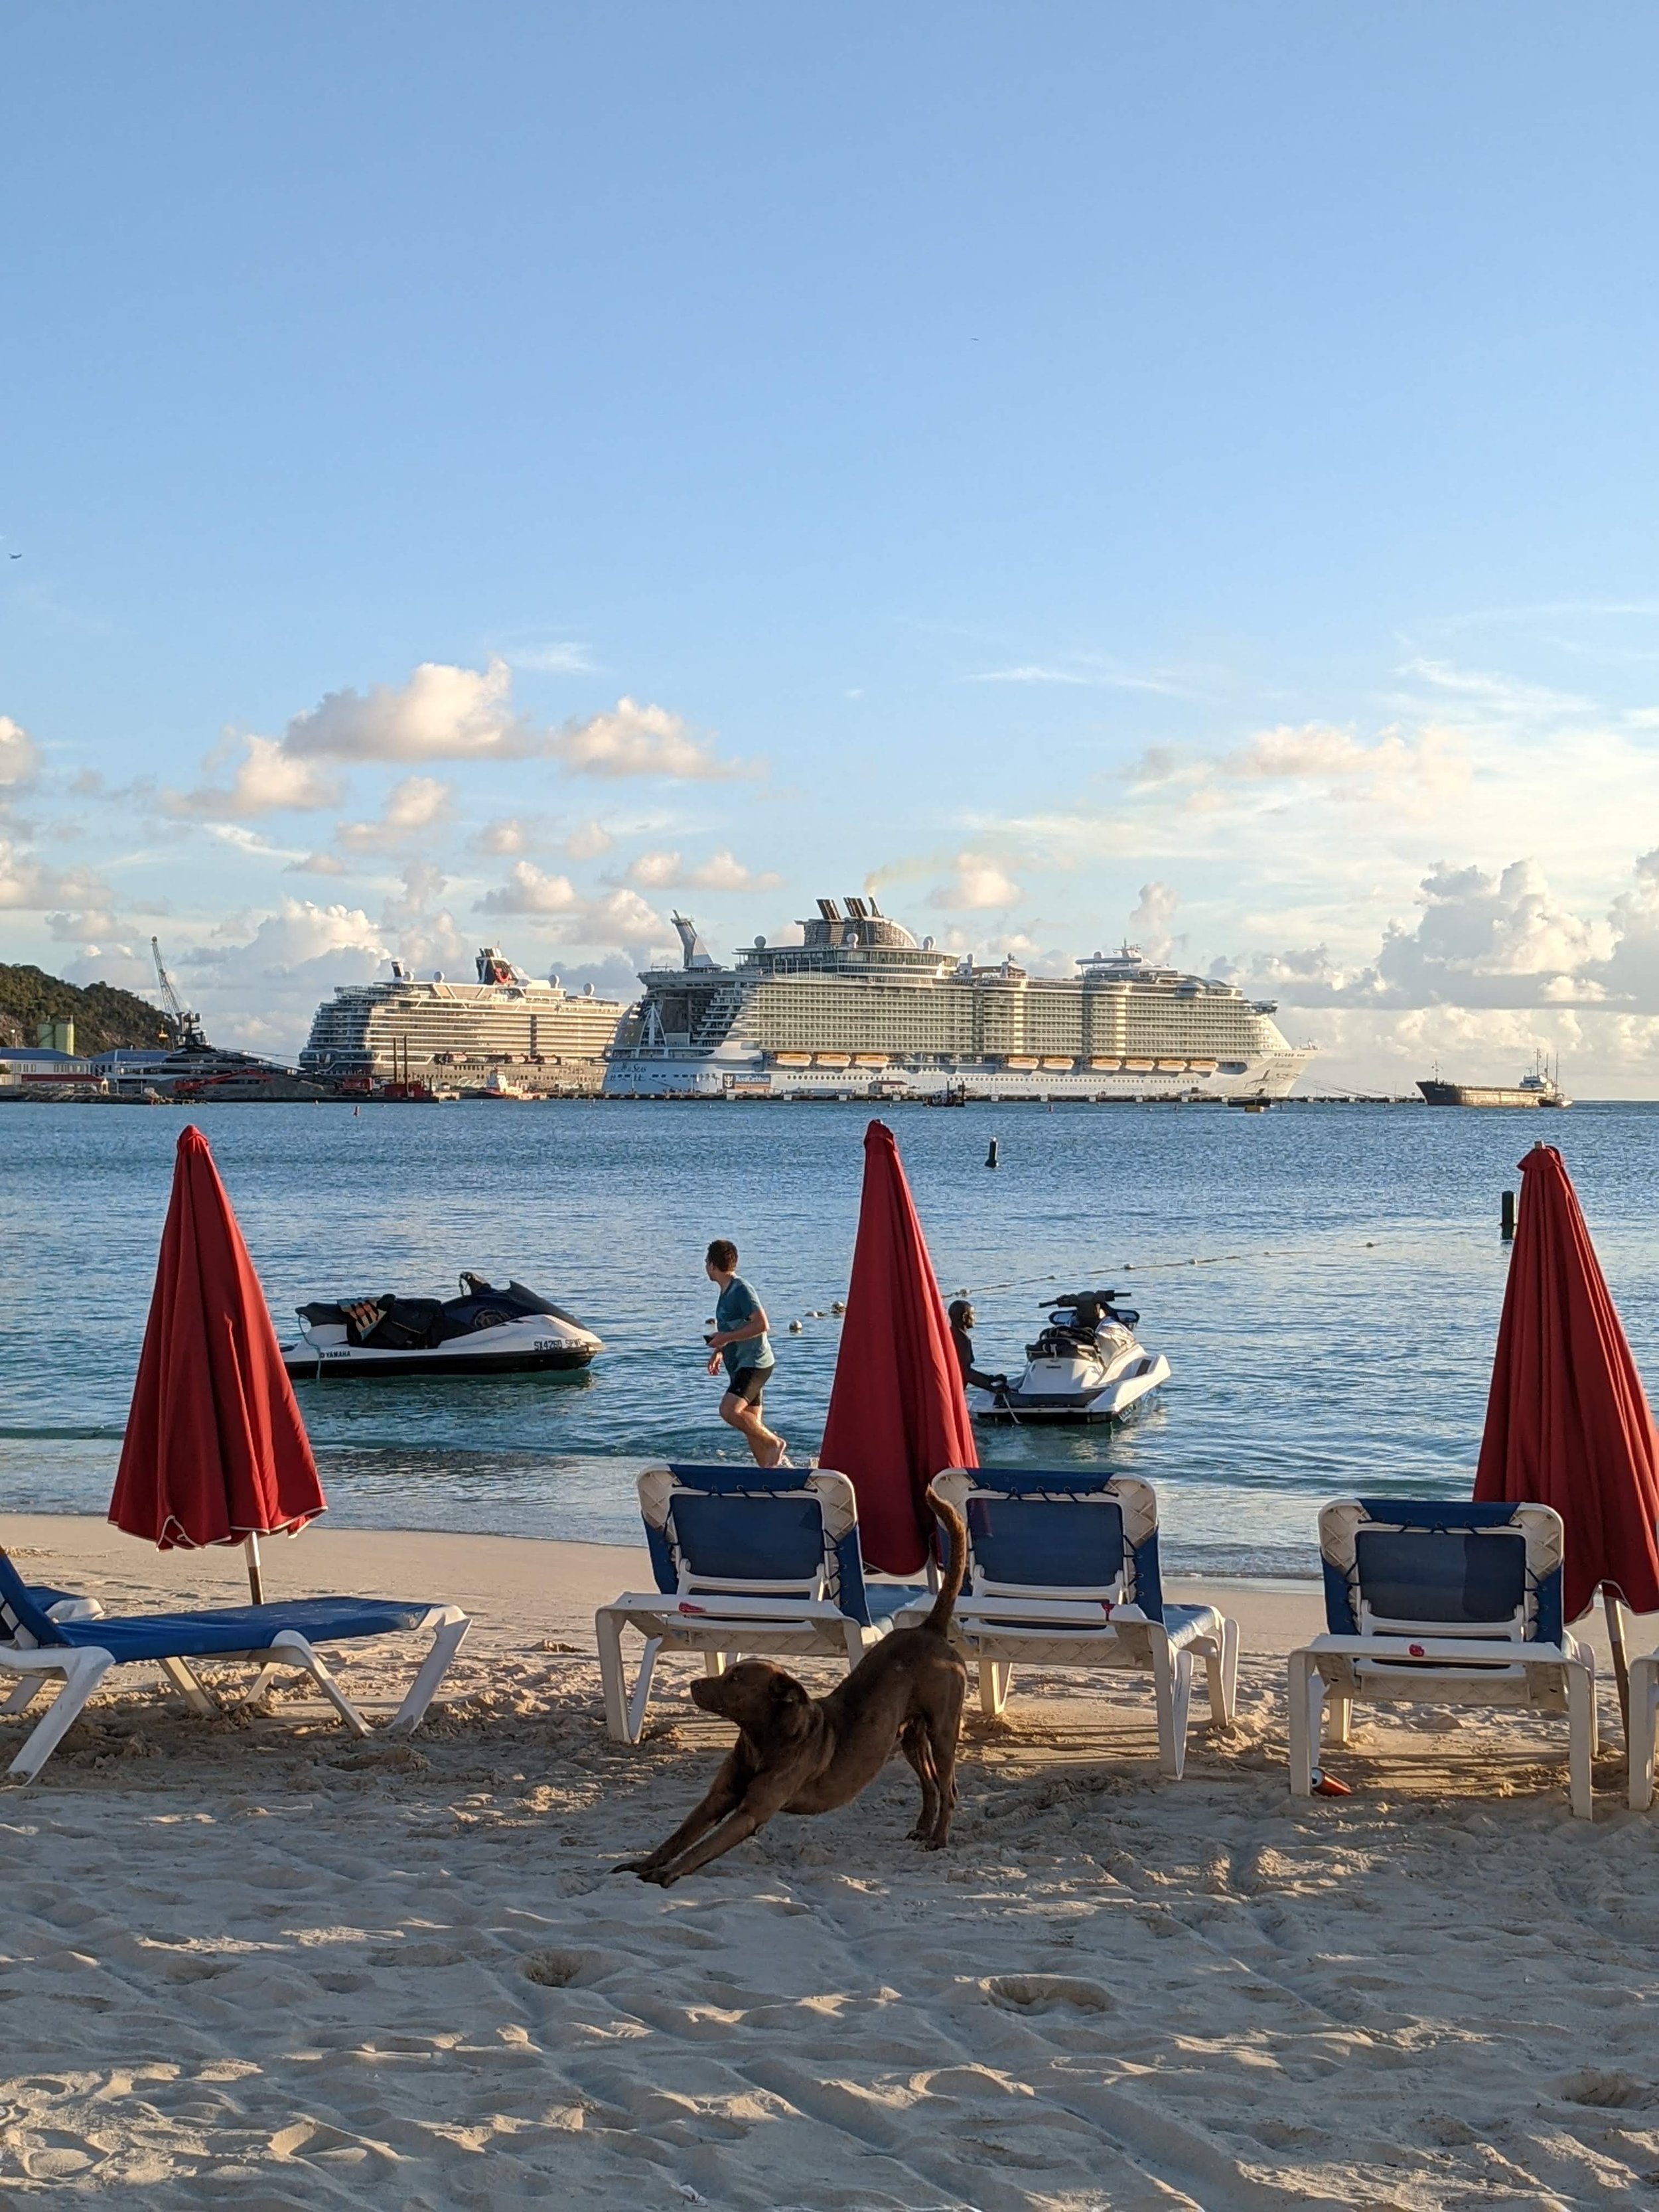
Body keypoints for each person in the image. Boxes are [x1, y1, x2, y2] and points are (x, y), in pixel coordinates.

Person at [703, 1238, 786, 1467]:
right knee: (751, 1425)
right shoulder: (726, 1291)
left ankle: (775, 1443)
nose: (706, 1267)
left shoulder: (741, 1289)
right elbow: (734, 1327)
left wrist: (726, 1338)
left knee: (729, 1411)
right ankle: (771, 1474)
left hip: (755, 1364)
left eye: (706, 1262)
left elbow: (762, 1324)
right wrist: (720, 1349)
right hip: (742, 1364)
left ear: (712, 1265)